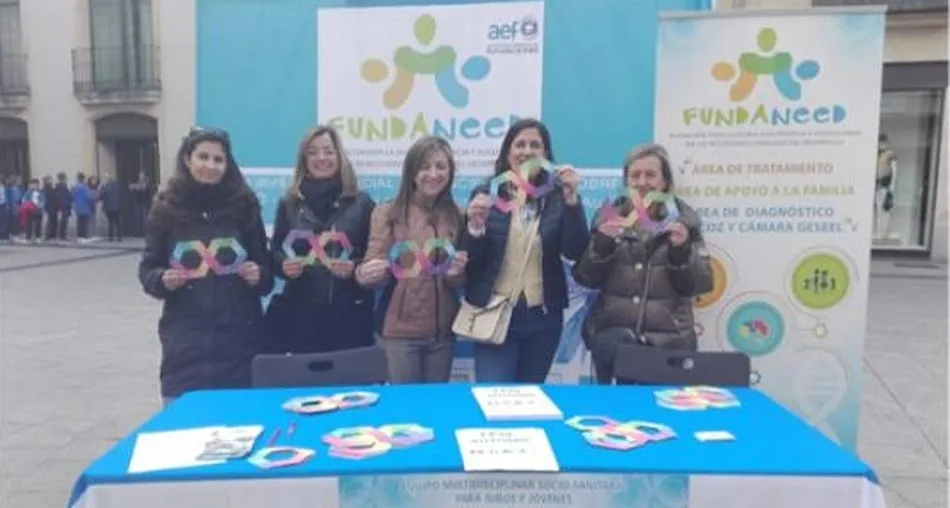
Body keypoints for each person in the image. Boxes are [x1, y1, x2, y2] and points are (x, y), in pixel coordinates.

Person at [137, 127, 273, 406]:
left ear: (227, 164)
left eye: (218, 160)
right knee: (183, 433)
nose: (210, 166)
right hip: (186, 341)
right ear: (188, 159)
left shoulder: (244, 205)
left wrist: (258, 275)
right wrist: (162, 279)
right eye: (203, 157)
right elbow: (148, 269)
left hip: (240, 341)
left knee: (241, 429)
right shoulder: (165, 207)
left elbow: (266, 270)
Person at [460, 118, 589, 383]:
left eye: (535, 145)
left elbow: (576, 250)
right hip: (494, 313)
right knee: (494, 396)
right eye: (519, 144)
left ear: (546, 154)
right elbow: (470, 261)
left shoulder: (557, 196)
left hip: (542, 319)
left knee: (531, 398)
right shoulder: (486, 193)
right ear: (507, 153)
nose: (527, 151)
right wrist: (474, 227)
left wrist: (572, 202)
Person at [571, 143, 713, 384]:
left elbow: (700, 285)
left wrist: (680, 252)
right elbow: (586, 278)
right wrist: (603, 244)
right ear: (626, 182)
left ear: (665, 182)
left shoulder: (685, 223)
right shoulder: (608, 218)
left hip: (668, 347)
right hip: (615, 345)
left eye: (650, 175)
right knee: (615, 418)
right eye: (635, 175)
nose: (642, 182)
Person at [355, 136, 467, 384]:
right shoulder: (387, 213)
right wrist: (366, 273)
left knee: (434, 410)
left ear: (450, 172)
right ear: (411, 172)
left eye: (441, 166)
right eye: (424, 167)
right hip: (399, 333)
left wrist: (457, 273)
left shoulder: (458, 216)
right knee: (402, 411)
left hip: (443, 334)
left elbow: (462, 281)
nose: (433, 174)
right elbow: (372, 272)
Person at [263, 126, 377, 354]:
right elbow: (275, 254)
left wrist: (355, 268)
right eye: (313, 152)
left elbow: (373, 255)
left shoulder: (362, 203)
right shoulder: (289, 203)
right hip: (301, 317)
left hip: (350, 317)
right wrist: (284, 266)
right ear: (304, 160)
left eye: (328, 151)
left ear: (339, 156)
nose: (321, 158)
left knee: (350, 386)